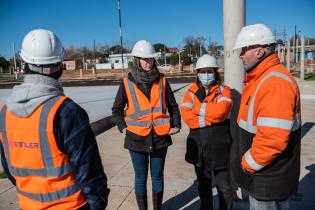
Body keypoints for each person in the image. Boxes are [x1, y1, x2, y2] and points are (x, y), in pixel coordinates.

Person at [0, 29, 109, 210]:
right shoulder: (67, 111)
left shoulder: (4, 113)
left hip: (28, 205)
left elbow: (10, 168)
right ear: (60, 65)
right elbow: (89, 172)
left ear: (23, 63)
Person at [231, 24, 301, 210]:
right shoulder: (260, 79)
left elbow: (272, 140)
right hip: (263, 176)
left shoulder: (274, 83)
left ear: (260, 51)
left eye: (244, 50)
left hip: (268, 178)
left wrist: (247, 164)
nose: (241, 55)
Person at [112, 40, 181, 210]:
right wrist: (123, 126)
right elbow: (117, 109)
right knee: (140, 177)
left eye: (150, 59)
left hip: (159, 136)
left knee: (157, 177)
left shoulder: (162, 81)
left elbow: (173, 106)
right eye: (144, 59)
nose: (148, 62)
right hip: (136, 138)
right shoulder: (127, 82)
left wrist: (177, 124)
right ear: (137, 60)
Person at [181, 55, 233, 210]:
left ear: (215, 72)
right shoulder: (191, 91)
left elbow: (221, 112)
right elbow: (187, 116)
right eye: (202, 71)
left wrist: (197, 109)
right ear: (197, 73)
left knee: (224, 188)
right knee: (204, 188)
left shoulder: (225, 90)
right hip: (199, 149)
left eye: (209, 71)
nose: (205, 74)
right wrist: (212, 118)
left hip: (220, 148)